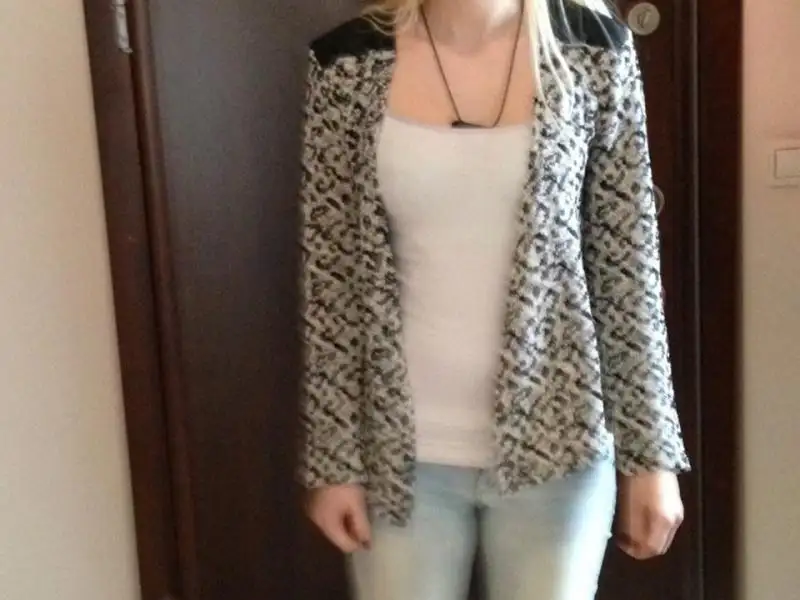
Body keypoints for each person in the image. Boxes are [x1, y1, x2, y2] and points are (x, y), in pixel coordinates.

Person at [297, 0, 690, 598]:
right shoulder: (346, 62)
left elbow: (627, 267)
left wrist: (651, 455)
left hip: (559, 446)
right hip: (397, 457)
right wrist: (334, 459)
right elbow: (332, 278)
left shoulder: (595, 52)